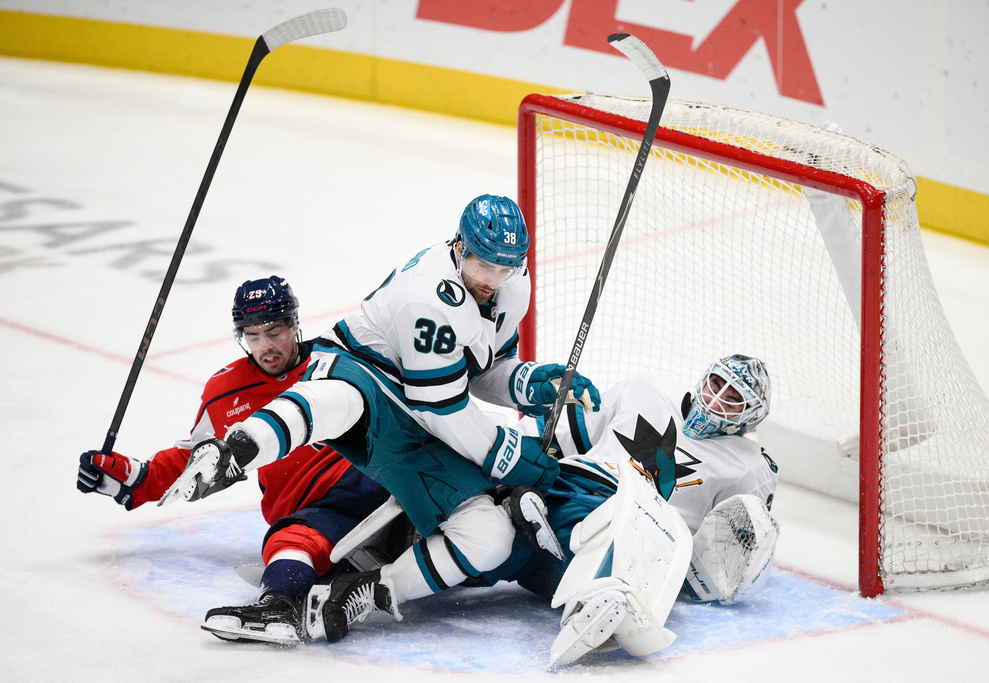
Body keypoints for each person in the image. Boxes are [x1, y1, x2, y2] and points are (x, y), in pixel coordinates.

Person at [160, 194, 602, 643]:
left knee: (489, 536)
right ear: (459, 247)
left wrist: (526, 382)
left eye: (505, 267)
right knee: (340, 399)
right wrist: (506, 456)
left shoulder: (512, 284)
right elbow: (441, 406)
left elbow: (482, 370)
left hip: (420, 420)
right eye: (483, 265)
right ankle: (237, 449)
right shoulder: (427, 299)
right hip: (370, 374)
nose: (493, 279)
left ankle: (369, 591)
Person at [76, 276, 390, 645]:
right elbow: (195, 458)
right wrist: (133, 478)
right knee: (291, 540)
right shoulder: (226, 391)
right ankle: (281, 604)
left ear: (294, 325)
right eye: (252, 336)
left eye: (274, 332)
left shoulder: (337, 358)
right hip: (314, 509)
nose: (265, 346)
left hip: (376, 477)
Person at [489, 354, 781, 667]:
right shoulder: (648, 389)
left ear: (751, 416)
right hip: (576, 483)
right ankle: (601, 598)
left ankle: (597, 598)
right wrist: (508, 449)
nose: (717, 398)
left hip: (636, 528)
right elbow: (568, 435)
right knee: (495, 536)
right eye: (716, 383)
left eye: (734, 398)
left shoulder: (750, 468)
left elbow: (730, 555)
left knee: (512, 550)